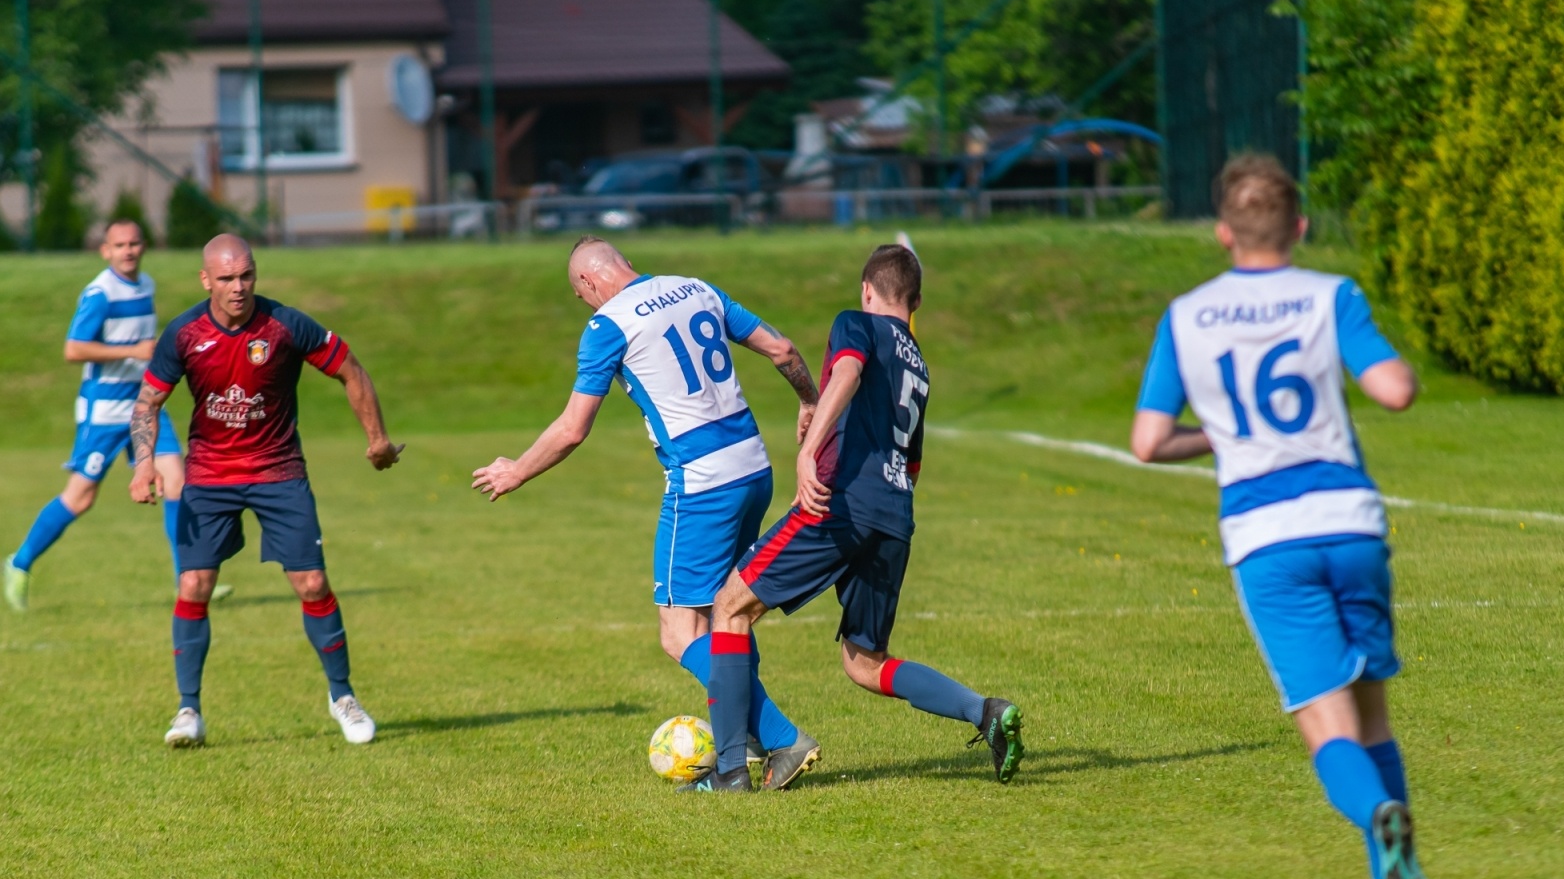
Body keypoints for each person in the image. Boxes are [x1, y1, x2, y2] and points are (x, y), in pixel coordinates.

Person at [1129, 154, 1428, 879]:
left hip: (1268, 537)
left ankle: (1378, 816)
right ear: (1299, 226)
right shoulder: (1332, 294)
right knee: (1372, 715)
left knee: (1328, 726)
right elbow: (1394, 389)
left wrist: (1223, 437)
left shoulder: (1187, 315)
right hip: (1350, 521)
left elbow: (1148, 442)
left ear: (1224, 232)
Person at [471, 237, 824, 789]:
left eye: (580, 295)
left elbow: (572, 428)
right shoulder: (695, 287)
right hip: (754, 466)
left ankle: (780, 739)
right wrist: (809, 400)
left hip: (702, 482)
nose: (585, 303)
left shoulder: (607, 325)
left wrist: (517, 470)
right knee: (728, 611)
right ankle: (742, 753)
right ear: (626, 264)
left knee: (679, 632)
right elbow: (781, 349)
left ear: (588, 283)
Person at [686, 244, 1025, 794]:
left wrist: (808, 448)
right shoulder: (918, 363)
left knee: (729, 606)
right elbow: (912, 462)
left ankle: (728, 771)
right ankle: (983, 711)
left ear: (867, 290)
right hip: (895, 516)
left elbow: (846, 370)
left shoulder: (857, 323)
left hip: (840, 503)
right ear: (915, 302)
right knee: (864, 662)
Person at [128, 234, 403, 749]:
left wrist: (378, 439)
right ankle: (189, 711)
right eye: (226, 278)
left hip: (278, 471)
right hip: (210, 475)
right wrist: (144, 465)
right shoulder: (184, 333)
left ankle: (343, 696)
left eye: (246, 275)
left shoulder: (286, 325)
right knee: (194, 585)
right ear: (206, 280)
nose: (238, 287)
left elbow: (351, 370)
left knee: (313, 583)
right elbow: (147, 403)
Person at [4, 220, 230, 610]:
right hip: (104, 411)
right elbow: (73, 349)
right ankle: (19, 563)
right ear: (105, 251)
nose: (128, 251)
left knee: (177, 481)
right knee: (80, 498)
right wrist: (132, 351)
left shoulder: (146, 285)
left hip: (145, 404)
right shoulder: (99, 294)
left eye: (134, 243)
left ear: (144, 246)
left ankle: (188, 582)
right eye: (120, 245)